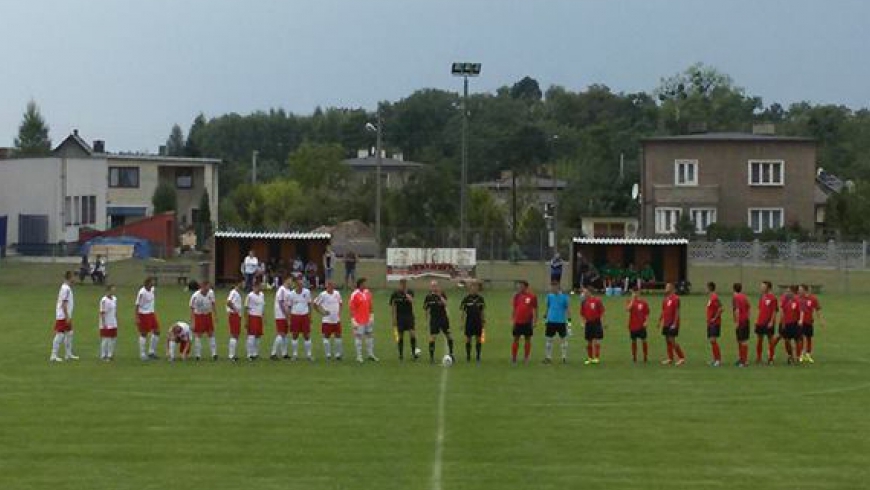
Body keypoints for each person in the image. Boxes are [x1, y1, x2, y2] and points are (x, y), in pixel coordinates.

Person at [50, 271, 77, 362]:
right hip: (63, 316)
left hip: (66, 315)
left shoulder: (66, 287)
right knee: (60, 335)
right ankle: (53, 355)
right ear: (70, 277)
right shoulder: (66, 289)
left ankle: (68, 354)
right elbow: (64, 304)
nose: (75, 278)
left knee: (69, 333)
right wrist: (67, 316)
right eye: (73, 276)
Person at [349, 277, 378, 363]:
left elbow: (370, 304)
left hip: (367, 319)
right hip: (359, 320)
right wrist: (353, 319)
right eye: (364, 283)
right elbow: (351, 308)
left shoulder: (367, 292)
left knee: (369, 335)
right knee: (358, 337)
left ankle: (370, 354)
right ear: (360, 284)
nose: (366, 285)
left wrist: (372, 315)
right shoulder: (354, 294)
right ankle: (359, 356)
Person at [424, 280, 454, 363]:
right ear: (430, 287)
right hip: (434, 319)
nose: (434, 287)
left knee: (449, 336)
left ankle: (451, 353)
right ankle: (431, 357)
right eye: (432, 286)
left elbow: (446, 304)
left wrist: (440, 296)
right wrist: (426, 322)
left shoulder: (442, 294)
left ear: (438, 286)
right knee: (432, 337)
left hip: (443, 318)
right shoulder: (428, 297)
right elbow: (426, 310)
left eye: (435, 286)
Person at [314, 281, 344, 361]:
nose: (330, 287)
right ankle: (328, 354)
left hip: (336, 320)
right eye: (328, 286)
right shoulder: (323, 295)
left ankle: (338, 355)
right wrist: (322, 312)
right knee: (326, 337)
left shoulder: (337, 293)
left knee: (338, 336)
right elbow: (315, 304)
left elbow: (340, 303)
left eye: (331, 285)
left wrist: (339, 312)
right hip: (327, 320)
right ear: (326, 286)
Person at [389, 278, 418, 361]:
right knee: (400, 336)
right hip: (400, 317)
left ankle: (413, 353)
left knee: (412, 334)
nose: (403, 286)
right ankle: (401, 354)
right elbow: (393, 306)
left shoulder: (410, 292)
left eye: (405, 284)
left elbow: (412, 302)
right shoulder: (395, 294)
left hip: (409, 316)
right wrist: (393, 318)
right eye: (402, 284)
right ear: (400, 284)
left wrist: (406, 294)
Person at [189, 281, 218, 361]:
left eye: (209, 287)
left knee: (211, 333)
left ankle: (214, 353)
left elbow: (213, 304)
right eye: (206, 287)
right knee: (198, 335)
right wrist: (192, 322)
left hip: (208, 315)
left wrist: (215, 315)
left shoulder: (211, 293)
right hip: (199, 316)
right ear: (202, 287)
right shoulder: (195, 296)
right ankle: (198, 355)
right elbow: (191, 308)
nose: (208, 289)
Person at [511, 280, 538, 364]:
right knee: (516, 339)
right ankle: (514, 357)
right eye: (519, 286)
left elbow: (536, 308)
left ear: (526, 287)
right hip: (518, 321)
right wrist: (513, 319)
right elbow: (514, 308)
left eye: (521, 286)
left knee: (528, 339)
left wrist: (535, 320)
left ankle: (526, 358)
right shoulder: (516, 296)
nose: (519, 287)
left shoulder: (532, 296)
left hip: (527, 321)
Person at [288, 275, 314, 361]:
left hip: (304, 316)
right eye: (299, 284)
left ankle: (309, 355)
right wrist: (289, 319)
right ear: (296, 284)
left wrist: (310, 316)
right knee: (295, 335)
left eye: (302, 284)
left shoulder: (307, 292)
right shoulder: (291, 294)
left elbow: (310, 304)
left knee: (306, 335)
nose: (301, 285)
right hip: (295, 316)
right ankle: (295, 355)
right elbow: (289, 307)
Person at [659, 283, 686, 366]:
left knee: (672, 340)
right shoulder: (665, 299)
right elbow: (663, 311)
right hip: (666, 323)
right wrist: (660, 321)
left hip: (673, 323)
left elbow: (677, 312)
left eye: (667, 287)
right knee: (667, 340)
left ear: (671, 288)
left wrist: (675, 323)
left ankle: (681, 358)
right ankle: (670, 358)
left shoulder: (676, 298)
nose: (665, 288)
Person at [543, 281, 569, 364]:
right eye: (551, 287)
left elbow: (568, 309)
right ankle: (548, 357)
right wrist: (545, 318)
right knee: (549, 340)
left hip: (561, 321)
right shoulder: (549, 296)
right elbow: (547, 307)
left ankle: (564, 357)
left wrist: (569, 323)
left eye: (554, 287)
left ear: (558, 287)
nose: (552, 288)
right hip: (551, 321)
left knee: (563, 340)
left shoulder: (565, 297)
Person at [798, 284, 825, 363]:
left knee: (809, 338)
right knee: (801, 338)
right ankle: (801, 354)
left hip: (809, 321)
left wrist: (821, 320)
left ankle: (808, 354)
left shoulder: (813, 299)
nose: (799, 291)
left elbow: (818, 310)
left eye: (800, 289)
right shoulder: (798, 298)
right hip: (800, 322)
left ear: (805, 290)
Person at [460, 281, 486, 363]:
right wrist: (461, 322)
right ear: (470, 289)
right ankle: (468, 356)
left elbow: (482, 311)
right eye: (472, 287)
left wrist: (483, 320)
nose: (474, 289)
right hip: (469, 321)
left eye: (476, 287)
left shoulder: (480, 299)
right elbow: (463, 312)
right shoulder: (466, 299)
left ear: (477, 289)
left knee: (478, 339)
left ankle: (478, 356)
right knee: (468, 339)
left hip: (478, 321)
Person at [135, 278, 161, 360]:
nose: (153, 284)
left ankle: (151, 352)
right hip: (143, 314)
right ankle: (142, 354)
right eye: (152, 282)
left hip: (151, 313)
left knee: (157, 331)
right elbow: (137, 305)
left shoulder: (152, 289)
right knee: (144, 333)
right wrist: (137, 317)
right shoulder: (142, 292)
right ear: (147, 283)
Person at [580, 285, 605, 365]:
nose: (584, 294)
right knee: (589, 341)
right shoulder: (584, 302)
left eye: (585, 292)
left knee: (597, 340)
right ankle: (590, 358)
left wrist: (603, 322)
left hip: (596, 322)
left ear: (589, 292)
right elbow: (582, 313)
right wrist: (583, 322)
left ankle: (597, 358)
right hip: (588, 323)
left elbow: (602, 312)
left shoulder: (597, 301)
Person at [755, 281, 778, 365]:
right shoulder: (762, 296)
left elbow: (774, 311)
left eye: (763, 286)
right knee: (759, 340)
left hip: (768, 323)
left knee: (770, 340)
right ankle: (758, 358)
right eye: (761, 286)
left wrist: (771, 321)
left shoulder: (773, 298)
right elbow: (760, 309)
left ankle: (771, 358)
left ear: (768, 288)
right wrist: (757, 320)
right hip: (760, 322)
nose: (761, 288)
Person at [270, 276, 292, 360]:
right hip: (280, 314)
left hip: (286, 314)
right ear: (286, 280)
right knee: (281, 333)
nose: (291, 281)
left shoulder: (288, 290)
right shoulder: (281, 289)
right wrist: (286, 314)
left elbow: (288, 304)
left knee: (285, 334)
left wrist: (289, 314)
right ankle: (273, 353)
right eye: (290, 279)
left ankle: (284, 353)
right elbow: (280, 303)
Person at [625, 287, 650, 363]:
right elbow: (627, 309)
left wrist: (646, 321)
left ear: (639, 292)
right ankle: (634, 356)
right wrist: (632, 300)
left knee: (644, 340)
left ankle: (645, 356)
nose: (635, 293)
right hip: (632, 325)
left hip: (641, 325)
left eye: (637, 292)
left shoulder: (644, 302)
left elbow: (647, 313)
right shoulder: (629, 301)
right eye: (634, 292)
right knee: (633, 341)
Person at [732, 283, 751, 367]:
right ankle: (741, 359)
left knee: (742, 341)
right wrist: (747, 317)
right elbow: (749, 307)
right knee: (741, 340)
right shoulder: (744, 296)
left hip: (741, 321)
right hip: (746, 320)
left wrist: (737, 322)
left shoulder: (735, 297)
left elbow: (737, 310)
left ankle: (744, 361)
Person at [245, 282, 265, 360]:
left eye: (259, 287)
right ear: (253, 287)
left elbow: (262, 306)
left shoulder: (262, 295)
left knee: (258, 335)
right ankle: (249, 354)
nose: (258, 288)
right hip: (252, 317)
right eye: (256, 287)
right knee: (251, 335)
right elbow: (246, 308)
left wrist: (263, 316)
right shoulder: (250, 296)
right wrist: (246, 320)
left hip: (259, 317)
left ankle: (255, 353)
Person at [98, 285, 118, 361]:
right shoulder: (104, 300)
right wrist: (104, 323)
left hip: (113, 321)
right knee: (106, 339)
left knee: (113, 338)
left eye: (114, 290)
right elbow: (102, 312)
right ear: (108, 291)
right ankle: (103, 355)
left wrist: (116, 319)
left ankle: (110, 354)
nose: (113, 291)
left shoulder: (115, 299)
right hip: (106, 322)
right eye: (112, 290)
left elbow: (115, 310)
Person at [706, 282, 723, 367]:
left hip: (714, 323)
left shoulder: (714, 297)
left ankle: (718, 360)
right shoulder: (711, 297)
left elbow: (721, 308)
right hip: (710, 323)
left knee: (713, 340)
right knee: (712, 341)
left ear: (709, 288)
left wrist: (714, 318)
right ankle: (715, 359)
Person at [226, 281, 243, 361]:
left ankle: (233, 354)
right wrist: (235, 310)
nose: (243, 285)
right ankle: (231, 355)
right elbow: (228, 302)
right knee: (234, 334)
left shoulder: (237, 293)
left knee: (236, 334)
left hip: (237, 315)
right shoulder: (233, 292)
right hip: (233, 315)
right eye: (242, 283)